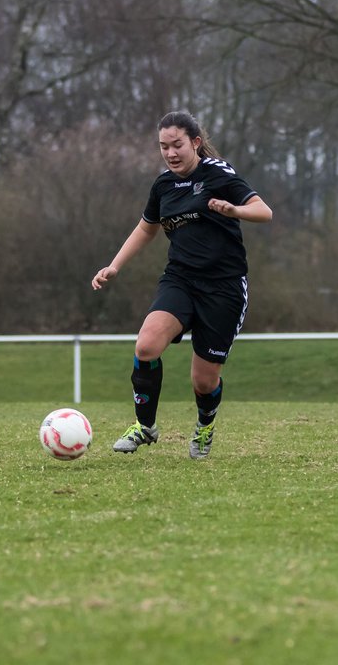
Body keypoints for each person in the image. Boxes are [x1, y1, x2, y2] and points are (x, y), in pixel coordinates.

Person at [91, 111, 273, 459]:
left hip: (224, 287)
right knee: (146, 346)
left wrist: (234, 210)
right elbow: (147, 228)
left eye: (177, 145)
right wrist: (114, 266)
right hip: (180, 280)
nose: (171, 153)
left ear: (195, 143)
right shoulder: (163, 185)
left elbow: (264, 212)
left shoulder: (219, 174)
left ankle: (205, 426)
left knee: (203, 382)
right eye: (164, 147)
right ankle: (145, 427)